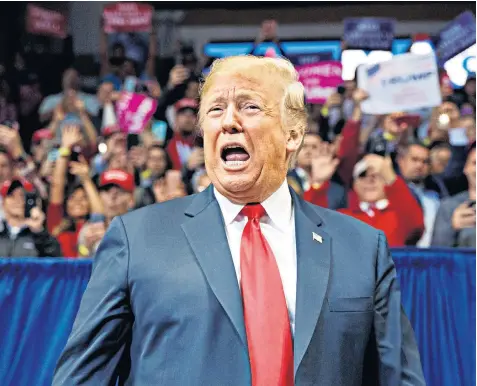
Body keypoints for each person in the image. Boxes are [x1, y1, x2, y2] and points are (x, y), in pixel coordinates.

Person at [53, 56, 424, 385]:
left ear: (292, 134)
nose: (228, 122)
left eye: (249, 106)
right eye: (215, 110)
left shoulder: (361, 248)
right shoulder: (137, 239)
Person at [0, 177, 61, 257]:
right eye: (11, 195)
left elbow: (55, 259)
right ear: (3, 202)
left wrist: (39, 232)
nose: (18, 200)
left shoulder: (39, 234)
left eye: (22, 195)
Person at [431, 143, 476, 248]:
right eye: (475, 163)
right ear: (466, 168)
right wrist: (453, 227)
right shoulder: (449, 206)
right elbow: (437, 253)